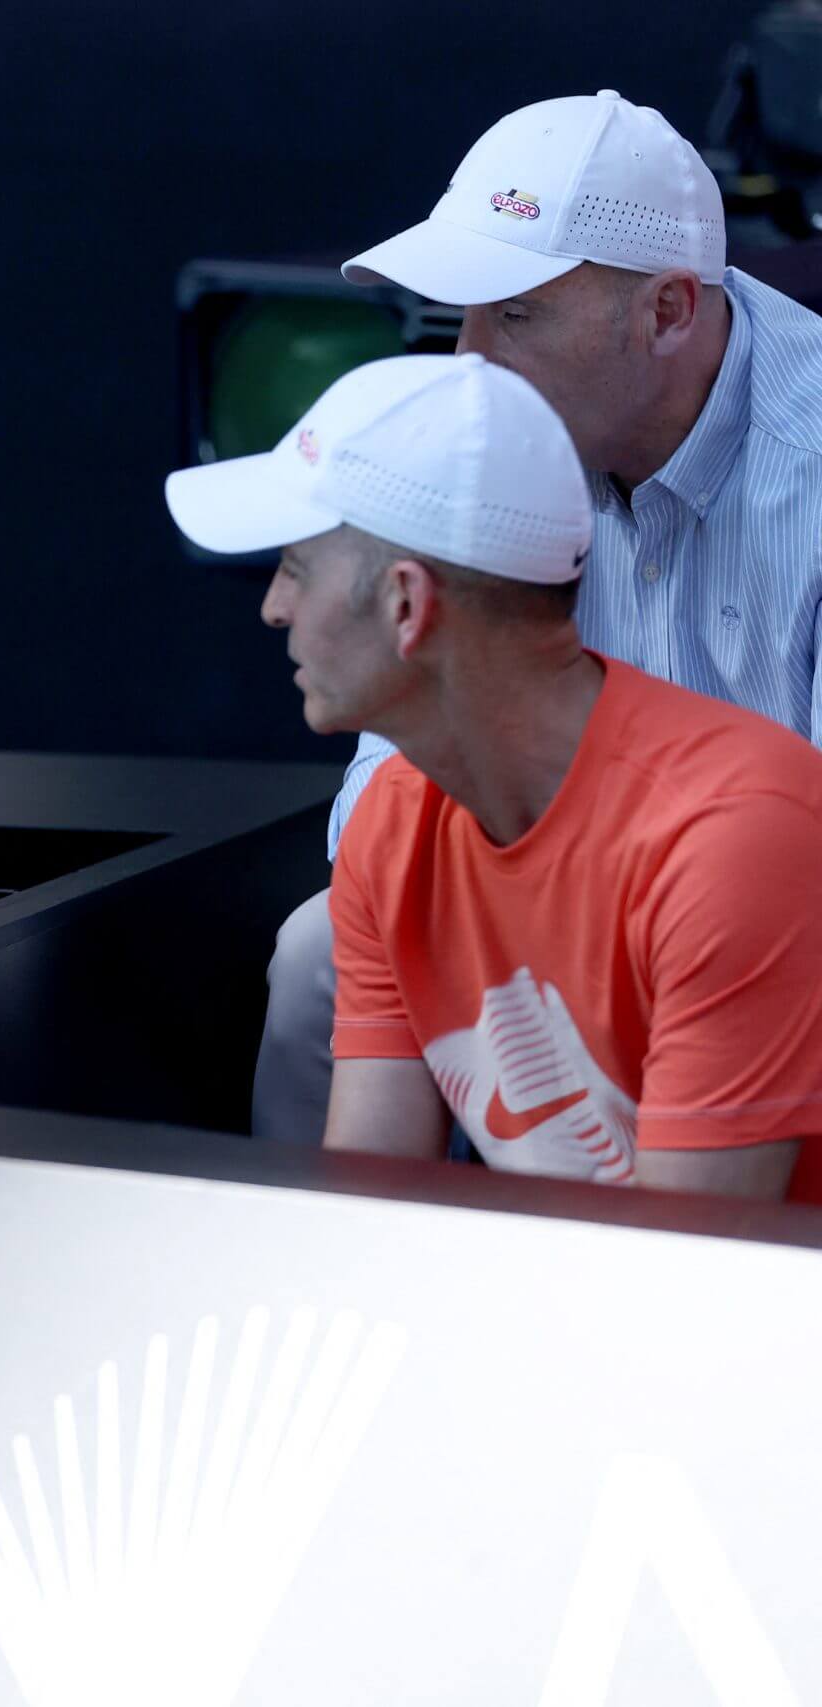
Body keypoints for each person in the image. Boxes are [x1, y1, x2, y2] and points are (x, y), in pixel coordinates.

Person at [252, 89, 822, 1141]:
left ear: (667, 312)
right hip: (548, 897)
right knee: (315, 960)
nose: (467, 359)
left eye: (515, 314)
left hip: (768, 926)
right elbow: (395, 760)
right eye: (459, 314)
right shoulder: (487, 434)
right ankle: (323, 1293)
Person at [170, 352, 822, 1203]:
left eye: (295, 567)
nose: (275, 608)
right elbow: (366, 1217)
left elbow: (682, 1298)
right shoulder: (394, 822)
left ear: (408, 605)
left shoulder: (735, 836)